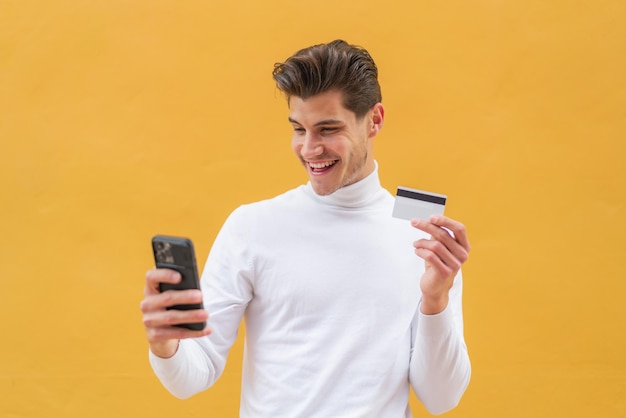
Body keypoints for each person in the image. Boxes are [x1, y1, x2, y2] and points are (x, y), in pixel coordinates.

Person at [141, 39, 471, 417]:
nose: (309, 149)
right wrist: (165, 344)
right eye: (299, 129)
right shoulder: (252, 227)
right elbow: (192, 376)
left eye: (328, 129)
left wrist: (435, 301)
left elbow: (441, 398)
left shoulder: (422, 238)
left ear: (375, 120)